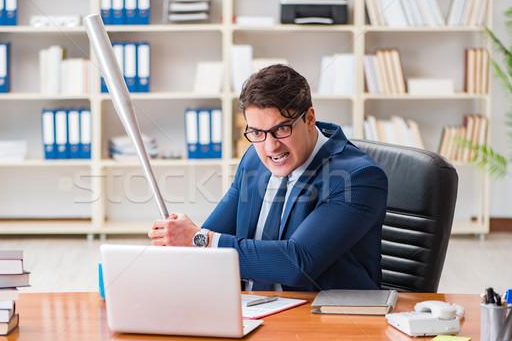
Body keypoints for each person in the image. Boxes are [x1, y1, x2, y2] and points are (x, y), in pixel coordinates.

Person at [148, 64, 388, 291]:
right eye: (257, 132)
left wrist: (199, 239)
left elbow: (297, 263)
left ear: (310, 119)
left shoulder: (356, 178)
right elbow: (211, 237)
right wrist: (179, 238)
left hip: (325, 321)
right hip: (252, 311)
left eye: (282, 129)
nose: (271, 147)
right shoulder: (253, 159)